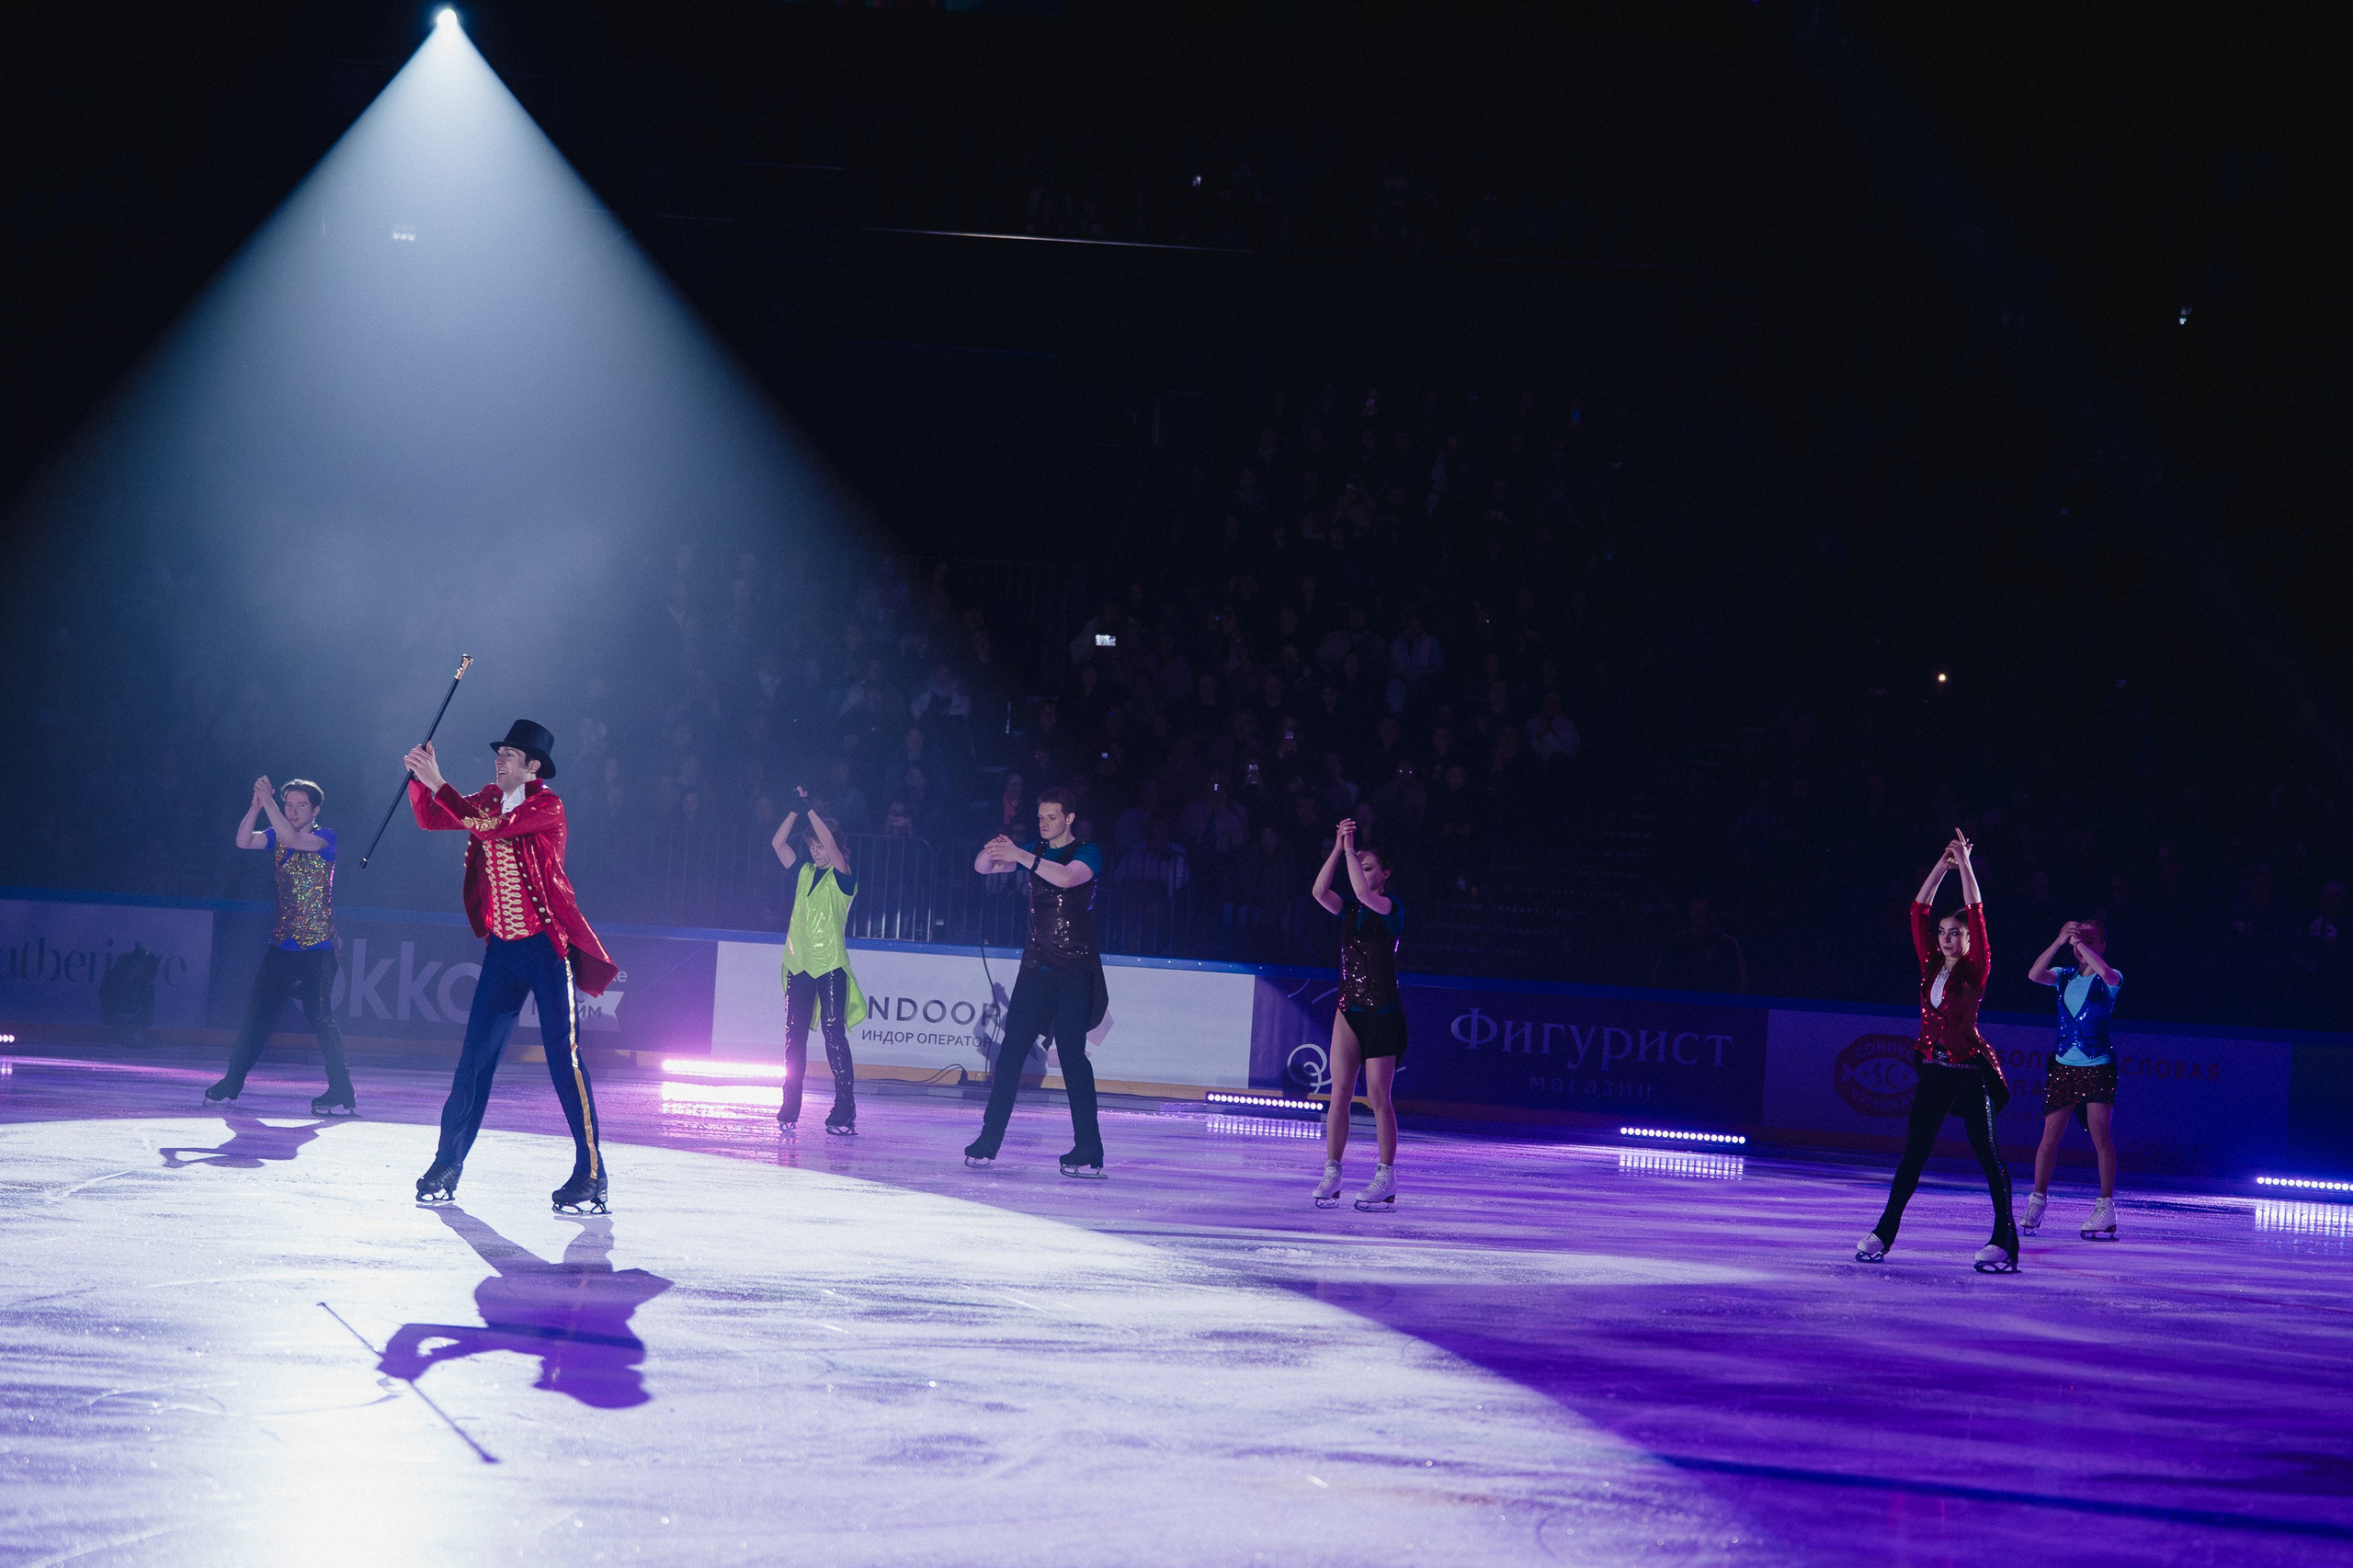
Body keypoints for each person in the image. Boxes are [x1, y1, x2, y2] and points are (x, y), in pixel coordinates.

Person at [404, 721, 620, 1214]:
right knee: (474, 1061)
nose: (500, 760)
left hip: (546, 949)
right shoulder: (483, 798)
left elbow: (490, 829)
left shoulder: (547, 806)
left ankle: (592, 1171)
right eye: (499, 753)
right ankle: (447, 1162)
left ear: (532, 767)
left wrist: (439, 782)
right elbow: (433, 820)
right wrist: (419, 778)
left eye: (510, 755)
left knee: (563, 1060)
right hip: (502, 951)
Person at [1856, 835, 2020, 1273]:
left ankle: (2004, 1240)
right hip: (1933, 1068)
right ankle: (1883, 1233)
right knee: (1914, 1154)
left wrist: (1965, 864)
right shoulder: (1930, 964)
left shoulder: (1977, 967)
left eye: (1956, 934)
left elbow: (1977, 911)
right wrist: (1941, 865)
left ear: (1968, 940)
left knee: (1986, 1152)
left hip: (1969, 1069)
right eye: (1944, 933)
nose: (1947, 939)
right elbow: (1918, 910)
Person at [963, 787, 1111, 1177]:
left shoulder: (1087, 851)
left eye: (1051, 817)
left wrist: (1021, 854)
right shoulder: (1032, 849)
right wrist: (995, 847)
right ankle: (988, 1139)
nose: (1044, 823)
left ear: (1069, 819)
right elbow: (982, 866)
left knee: (1073, 1057)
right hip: (1034, 969)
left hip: (1074, 970)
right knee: (1010, 1054)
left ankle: (1089, 1148)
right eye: (1041, 817)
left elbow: (1065, 879)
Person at [206, 776, 357, 1115]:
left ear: (315, 810)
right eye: (289, 805)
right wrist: (257, 805)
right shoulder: (276, 833)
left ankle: (342, 1090)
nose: (293, 810)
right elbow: (244, 841)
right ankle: (232, 1083)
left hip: (318, 947)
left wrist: (269, 803)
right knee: (256, 1017)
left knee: (320, 1017)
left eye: (300, 805)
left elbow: (292, 838)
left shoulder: (325, 837)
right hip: (282, 945)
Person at [1308, 819, 1404, 1211]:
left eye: (1368, 867)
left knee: (1379, 1096)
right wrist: (1337, 846)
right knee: (1340, 1094)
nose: (1360, 873)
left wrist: (1351, 849)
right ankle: (1333, 1171)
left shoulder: (1390, 907)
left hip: (1384, 1013)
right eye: (1358, 866)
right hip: (1348, 1010)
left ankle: (1386, 1175)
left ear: (1385, 873)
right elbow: (1318, 891)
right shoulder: (1347, 909)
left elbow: (1364, 895)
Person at [771, 788, 868, 1136]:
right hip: (799, 963)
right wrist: (795, 812)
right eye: (811, 846)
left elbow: (831, 843)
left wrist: (812, 809)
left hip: (829, 966)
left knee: (832, 1033)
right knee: (793, 1036)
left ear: (835, 848)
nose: (816, 851)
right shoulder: (803, 872)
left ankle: (845, 1107)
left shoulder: (843, 876)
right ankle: (790, 1102)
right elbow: (778, 845)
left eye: (821, 846)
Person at [2025, 920, 2124, 1240]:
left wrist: (2080, 945)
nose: (2081, 944)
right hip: (2064, 1065)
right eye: (2078, 938)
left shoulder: (2112, 978)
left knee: (2100, 1138)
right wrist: (2058, 941)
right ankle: (2037, 1202)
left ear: (2102, 945)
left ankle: (2106, 1208)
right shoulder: (2064, 976)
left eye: (2090, 939)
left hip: (2097, 1066)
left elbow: (2107, 974)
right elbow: (2034, 975)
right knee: (2049, 1137)